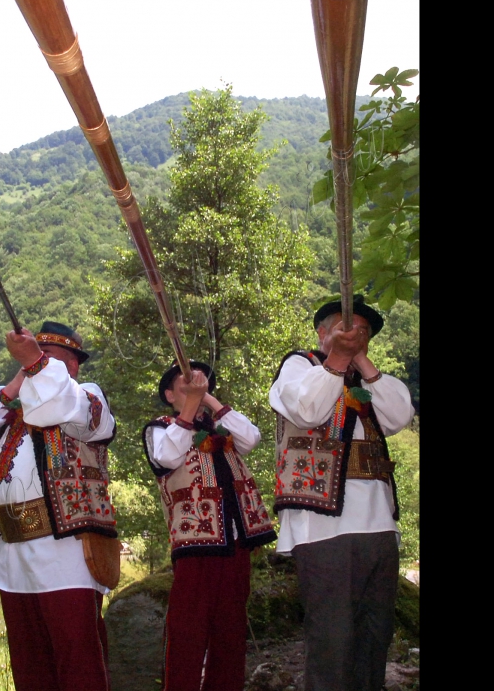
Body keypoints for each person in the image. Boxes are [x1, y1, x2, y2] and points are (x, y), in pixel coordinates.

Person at [0, 321, 118, 691]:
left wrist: (36, 365)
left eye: (53, 359)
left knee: (77, 661)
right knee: (29, 665)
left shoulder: (85, 394)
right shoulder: (12, 406)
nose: (40, 364)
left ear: (73, 367)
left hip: (66, 550)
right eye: (36, 355)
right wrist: (19, 379)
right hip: (14, 550)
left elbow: (62, 406)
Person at [268, 294, 415, 691]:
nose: (354, 335)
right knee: (333, 638)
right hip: (322, 527)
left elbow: (400, 414)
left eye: (362, 332)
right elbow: (309, 410)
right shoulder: (299, 367)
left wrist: (361, 361)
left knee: (374, 635)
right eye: (344, 328)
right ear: (321, 333)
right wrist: (337, 358)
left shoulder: (368, 381)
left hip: (380, 524)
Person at [142, 360, 277, 691]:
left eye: (201, 382)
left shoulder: (220, 428)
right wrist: (191, 403)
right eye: (184, 383)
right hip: (194, 543)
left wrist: (211, 401)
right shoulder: (159, 428)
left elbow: (251, 437)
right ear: (169, 393)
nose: (195, 386)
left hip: (235, 542)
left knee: (230, 632)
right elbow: (168, 457)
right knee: (188, 630)